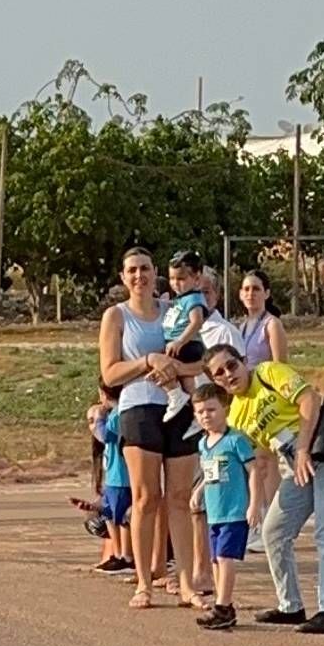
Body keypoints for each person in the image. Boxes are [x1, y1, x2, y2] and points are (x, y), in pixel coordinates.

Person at [204, 344, 324, 635]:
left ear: (243, 361)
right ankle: (291, 606)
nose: (228, 374)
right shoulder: (236, 415)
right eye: (219, 373)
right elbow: (258, 460)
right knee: (274, 531)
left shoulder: (267, 373)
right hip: (294, 461)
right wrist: (244, 501)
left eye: (231, 365)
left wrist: (302, 449)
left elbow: (309, 399)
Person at [100, 248, 194, 607]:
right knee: (146, 497)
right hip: (138, 406)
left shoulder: (174, 311)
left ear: (156, 273)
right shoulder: (117, 316)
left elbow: (198, 359)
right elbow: (110, 373)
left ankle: (186, 582)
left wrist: (175, 369)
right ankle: (144, 582)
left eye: (145, 269)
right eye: (132, 270)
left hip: (178, 406)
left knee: (179, 498)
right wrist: (147, 361)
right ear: (123, 277)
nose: (139, 276)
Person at [190, 382, 254, 631]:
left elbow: (253, 472)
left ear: (224, 409)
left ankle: (223, 605)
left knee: (225, 557)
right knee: (216, 558)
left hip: (234, 510)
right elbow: (210, 473)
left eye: (211, 409)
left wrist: (254, 504)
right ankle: (222, 602)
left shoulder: (235, 440)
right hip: (214, 512)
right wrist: (199, 491)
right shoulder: (204, 444)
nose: (206, 416)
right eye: (200, 412)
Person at [159, 251, 209, 423]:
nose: (175, 283)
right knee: (186, 380)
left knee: (164, 367)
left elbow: (197, 322)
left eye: (181, 279)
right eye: (172, 279)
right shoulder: (180, 299)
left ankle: (178, 397)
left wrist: (180, 341)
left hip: (186, 344)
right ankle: (194, 410)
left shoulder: (194, 298)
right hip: (176, 342)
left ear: (196, 278)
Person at [89, 400, 133, 575]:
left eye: (93, 420)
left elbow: (105, 435)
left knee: (122, 517)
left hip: (121, 479)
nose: (93, 426)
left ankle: (126, 556)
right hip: (112, 480)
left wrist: (99, 420)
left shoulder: (116, 416)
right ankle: (117, 553)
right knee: (108, 515)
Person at [233, 269, 288, 370]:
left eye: (256, 289)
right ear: (241, 294)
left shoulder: (272, 324)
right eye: (246, 289)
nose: (250, 293)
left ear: (266, 293)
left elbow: (281, 367)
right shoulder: (241, 328)